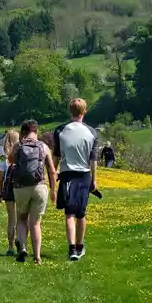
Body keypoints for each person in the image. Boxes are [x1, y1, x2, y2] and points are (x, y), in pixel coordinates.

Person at [55, 98, 100, 261]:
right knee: (81, 213)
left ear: (70, 111)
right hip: (84, 175)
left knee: (69, 214)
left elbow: (56, 156)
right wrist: (94, 180)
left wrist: (53, 173)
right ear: (84, 111)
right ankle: (80, 246)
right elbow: (93, 159)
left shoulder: (60, 130)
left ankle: (72, 248)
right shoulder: (92, 132)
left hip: (67, 174)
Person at [9, 119, 58, 264]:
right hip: (39, 187)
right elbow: (52, 171)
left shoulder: (19, 146)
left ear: (23, 132)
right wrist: (54, 190)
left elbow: (10, 160)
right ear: (36, 131)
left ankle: (23, 247)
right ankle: (37, 257)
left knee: (22, 219)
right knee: (36, 223)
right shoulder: (44, 147)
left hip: (21, 187)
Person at [0, 129, 22, 256]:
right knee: (21, 218)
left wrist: (0, 191)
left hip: (8, 189)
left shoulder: (3, 154)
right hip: (19, 187)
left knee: (11, 219)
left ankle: (10, 247)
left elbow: (1, 176)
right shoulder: (21, 151)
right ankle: (22, 244)